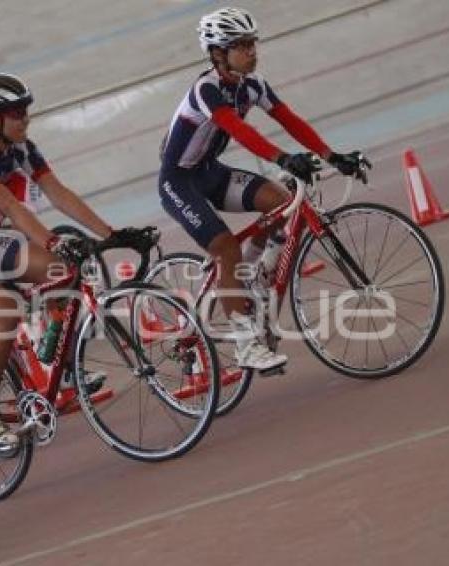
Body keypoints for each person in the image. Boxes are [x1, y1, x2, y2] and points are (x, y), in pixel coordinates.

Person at [0, 73, 133, 450]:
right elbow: (10, 207)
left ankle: (51, 361)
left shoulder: (21, 148)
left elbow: (58, 192)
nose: (25, 119)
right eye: (16, 113)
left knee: (62, 271)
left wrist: (109, 233)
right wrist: (51, 239)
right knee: (5, 313)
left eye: (25, 111)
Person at [159, 6, 370, 371]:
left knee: (281, 202)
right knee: (226, 247)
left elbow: (288, 119)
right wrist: (284, 159)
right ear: (218, 53)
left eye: (253, 44)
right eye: (242, 46)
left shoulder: (252, 86)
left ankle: (255, 276)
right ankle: (245, 346)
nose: (252, 52)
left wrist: (332, 155)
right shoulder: (206, 89)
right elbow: (239, 130)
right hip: (178, 181)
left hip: (210, 171)